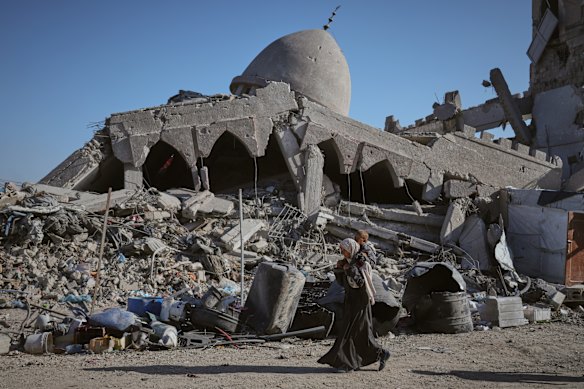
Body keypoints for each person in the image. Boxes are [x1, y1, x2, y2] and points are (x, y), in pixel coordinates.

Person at [318, 238, 390, 373]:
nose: (342, 253)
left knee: (352, 333)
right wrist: (339, 269)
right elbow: (343, 283)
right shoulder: (349, 262)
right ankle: (379, 354)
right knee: (358, 333)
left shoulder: (360, 263)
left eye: (344, 250)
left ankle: (347, 363)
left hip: (360, 303)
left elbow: (361, 282)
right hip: (351, 302)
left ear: (350, 249)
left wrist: (349, 269)